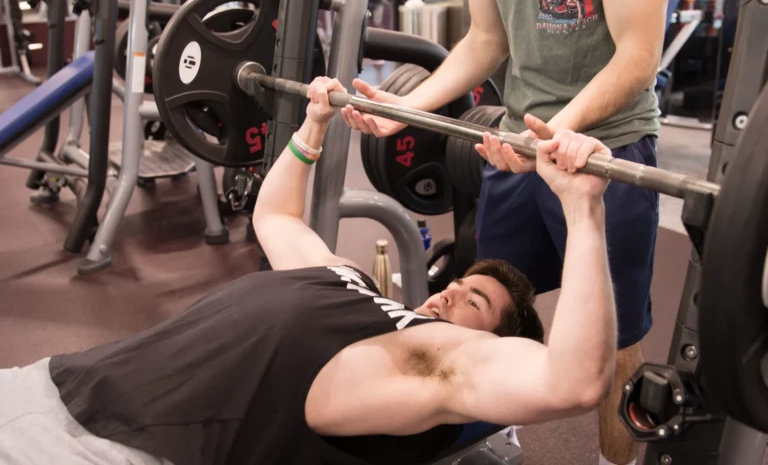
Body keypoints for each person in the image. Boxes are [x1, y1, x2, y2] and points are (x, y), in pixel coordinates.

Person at [0, 77, 617, 465]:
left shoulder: (426, 363)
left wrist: (581, 208)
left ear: (489, 346)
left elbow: (572, 385)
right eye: (461, 282)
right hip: (57, 382)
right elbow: (277, 217)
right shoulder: (352, 286)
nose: (452, 291)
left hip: (94, 449)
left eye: (476, 304)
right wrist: (312, 128)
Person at [341, 0, 676, 464]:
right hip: (520, 139)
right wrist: (411, 108)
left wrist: (548, 137)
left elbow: (638, 54)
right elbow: (485, 40)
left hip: (607, 152)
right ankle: (494, 443)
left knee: (614, 340)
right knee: (485, 302)